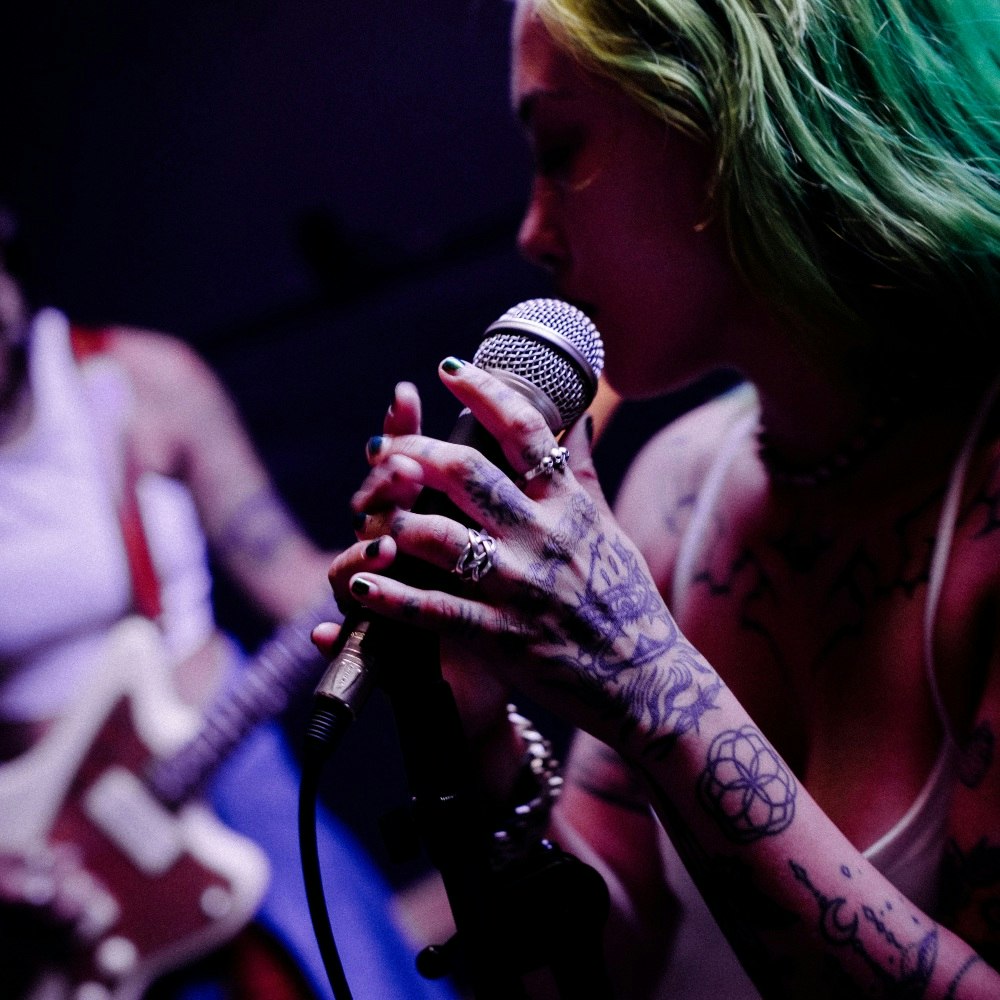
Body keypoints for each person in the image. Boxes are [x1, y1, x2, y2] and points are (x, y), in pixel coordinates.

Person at [319, 0, 1000, 996]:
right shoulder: (678, 481)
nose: (532, 231)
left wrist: (648, 680)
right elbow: (593, 973)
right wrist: (467, 729)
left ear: (726, 123)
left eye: (560, 150)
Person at [0, 223, 456, 999]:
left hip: (227, 775)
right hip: (48, 860)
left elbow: (288, 577)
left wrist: (404, 542)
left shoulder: (133, 382)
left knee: (358, 980)